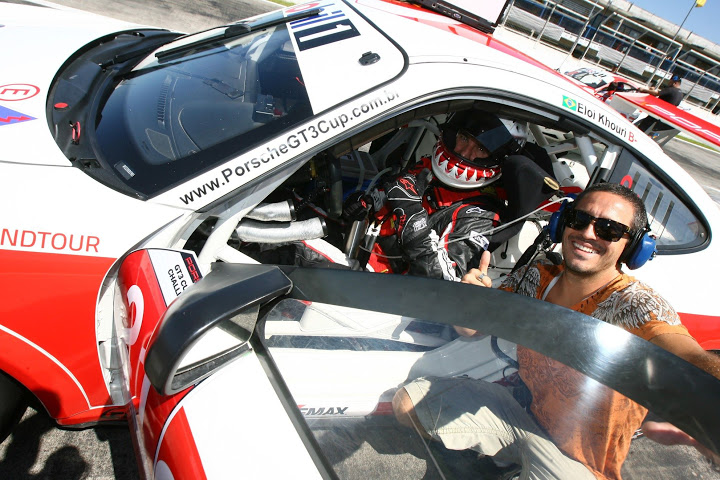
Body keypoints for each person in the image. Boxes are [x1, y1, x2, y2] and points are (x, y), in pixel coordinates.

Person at [392, 182, 720, 479]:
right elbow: (471, 330)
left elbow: (686, 352)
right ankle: (505, 463)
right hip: (521, 416)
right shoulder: (538, 277)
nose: (589, 233)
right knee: (408, 403)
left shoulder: (634, 304)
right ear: (563, 222)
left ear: (633, 248)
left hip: (578, 460)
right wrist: (470, 302)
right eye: (579, 220)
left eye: (608, 229)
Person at [360, 109, 557, 280]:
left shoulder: (480, 214)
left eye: (481, 148)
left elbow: (442, 282)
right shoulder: (428, 167)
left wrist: (412, 216)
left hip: (384, 290)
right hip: (361, 253)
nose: (464, 151)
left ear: (498, 157)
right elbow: (390, 196)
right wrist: (366, 204)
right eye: (463, 137)